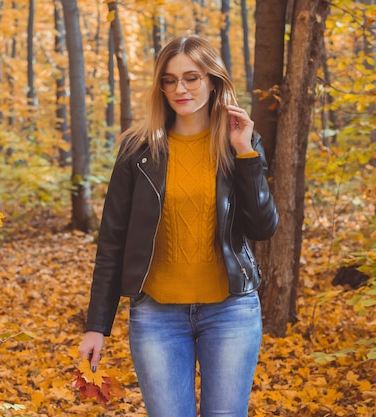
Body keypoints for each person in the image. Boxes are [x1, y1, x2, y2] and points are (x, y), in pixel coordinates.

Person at [78, 35, 279, 417]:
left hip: (231, 311)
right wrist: (96, 327)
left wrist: (245, 154)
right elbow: (112, 241)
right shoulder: (139, 149)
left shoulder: (240, 142)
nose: (179, 89)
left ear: (214, 80)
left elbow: (263, 226)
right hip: (156, 316)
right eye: (169, 80)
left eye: (191, 78)